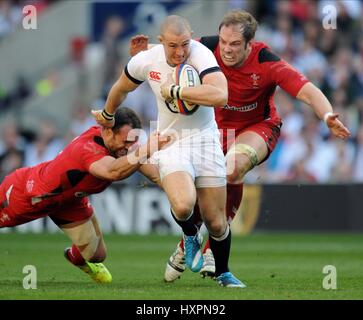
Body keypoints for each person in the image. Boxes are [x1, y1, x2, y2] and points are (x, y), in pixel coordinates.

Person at [129, 10, 351, 282]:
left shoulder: (266, 61)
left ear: (249, 44)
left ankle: (209, 249)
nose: (226, 49)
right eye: (223, 42)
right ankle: (190, 240)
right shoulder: (204, 48)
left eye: (235, 44)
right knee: (194, 194)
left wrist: (327, 115)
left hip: (257, 127)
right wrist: (146, 50)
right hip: (213, 131)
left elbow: (306, 90)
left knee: (232, 168)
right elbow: (175, 47)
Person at [92, 15, 246, 288]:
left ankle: (223, 272)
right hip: (171, 141)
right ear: (161, 42)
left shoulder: (201, 54)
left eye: (185, 44)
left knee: (217, 222)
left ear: (192, 38)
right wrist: (107, 113)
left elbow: (221, 95)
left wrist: (176, 90)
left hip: (206, 140)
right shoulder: (147, 60)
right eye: (173, 45)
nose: (180, 52)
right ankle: (190, 236)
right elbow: (120, 87)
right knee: (184, 204)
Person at [0, 107, 170, 284]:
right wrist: (145, 150)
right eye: (126, 142)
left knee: (97, 256)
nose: (129, 148)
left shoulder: (121, 147)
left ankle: (74, 257)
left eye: (133, 142)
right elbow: (113, 172)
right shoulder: (88, 148)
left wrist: (180, 190)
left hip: (69, 202)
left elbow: (151, 171)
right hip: (26, 193)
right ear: (107, 132)